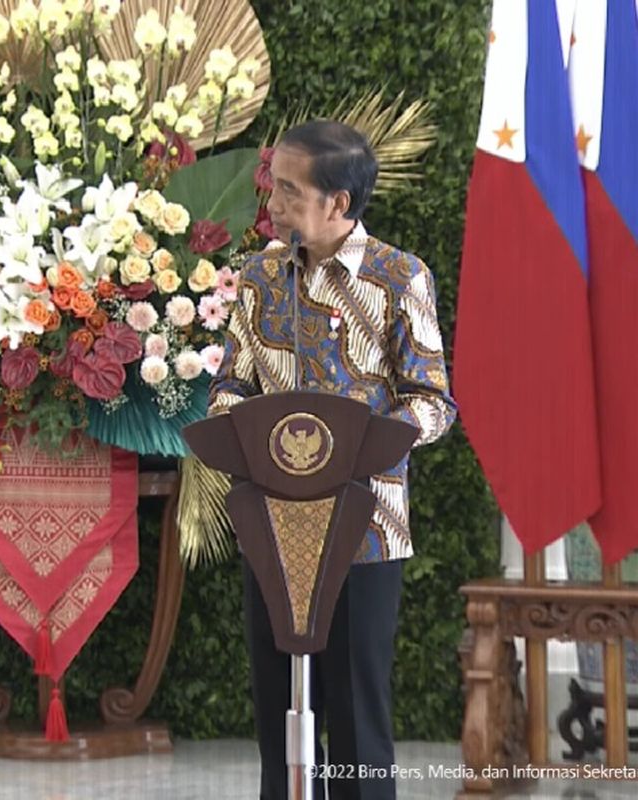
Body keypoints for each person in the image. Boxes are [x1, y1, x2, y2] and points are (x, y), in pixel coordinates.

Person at [207, 120, 456, 800]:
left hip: (367, 530)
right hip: (272, 525)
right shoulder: (256, 278)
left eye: (289, 191)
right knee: (277, 717)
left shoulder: (401, 277)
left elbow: (433, 402)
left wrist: (358, 450)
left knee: (356, 717)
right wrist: (244, 430)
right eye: (273, 186)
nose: (274, 204)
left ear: (338, 203)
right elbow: (228, 384)